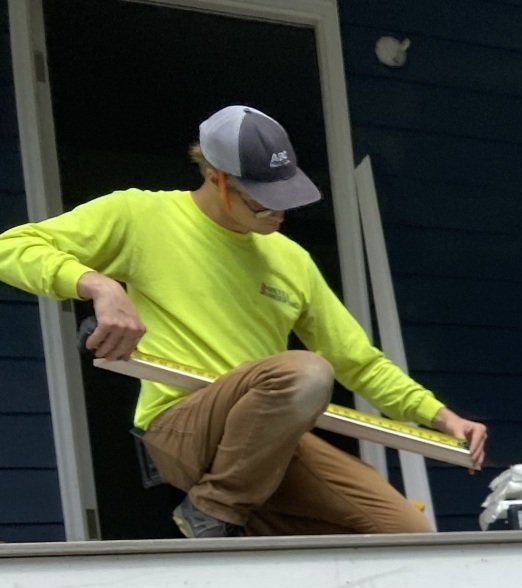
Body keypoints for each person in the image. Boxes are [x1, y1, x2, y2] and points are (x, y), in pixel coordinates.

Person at [0, 105, 487, 539]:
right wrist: (98, 285)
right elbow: (11, 248)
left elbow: (356, 361)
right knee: (305, 372)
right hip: (182, 423)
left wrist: (442, 419)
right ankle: (212, 512)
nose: (278, 211)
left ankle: (244, 520)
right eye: (260, 198)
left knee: (405, 531)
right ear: (216, 177)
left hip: (265, 439)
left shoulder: (289, 258)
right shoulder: (140, 215)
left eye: (285, 195)